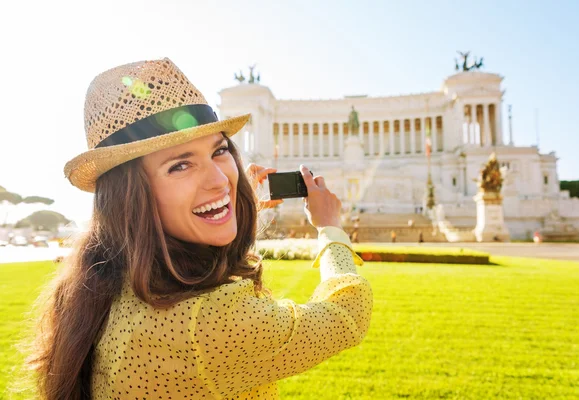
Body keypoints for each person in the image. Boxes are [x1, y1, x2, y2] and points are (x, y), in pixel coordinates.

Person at [26, 58, 373, 399]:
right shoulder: (206, 322)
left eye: (219, 151)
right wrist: (330, 228)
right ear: (130, 194)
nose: (220, 179)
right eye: (180, 166)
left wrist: (228, 205)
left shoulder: (107, 279)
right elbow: (346, 316)